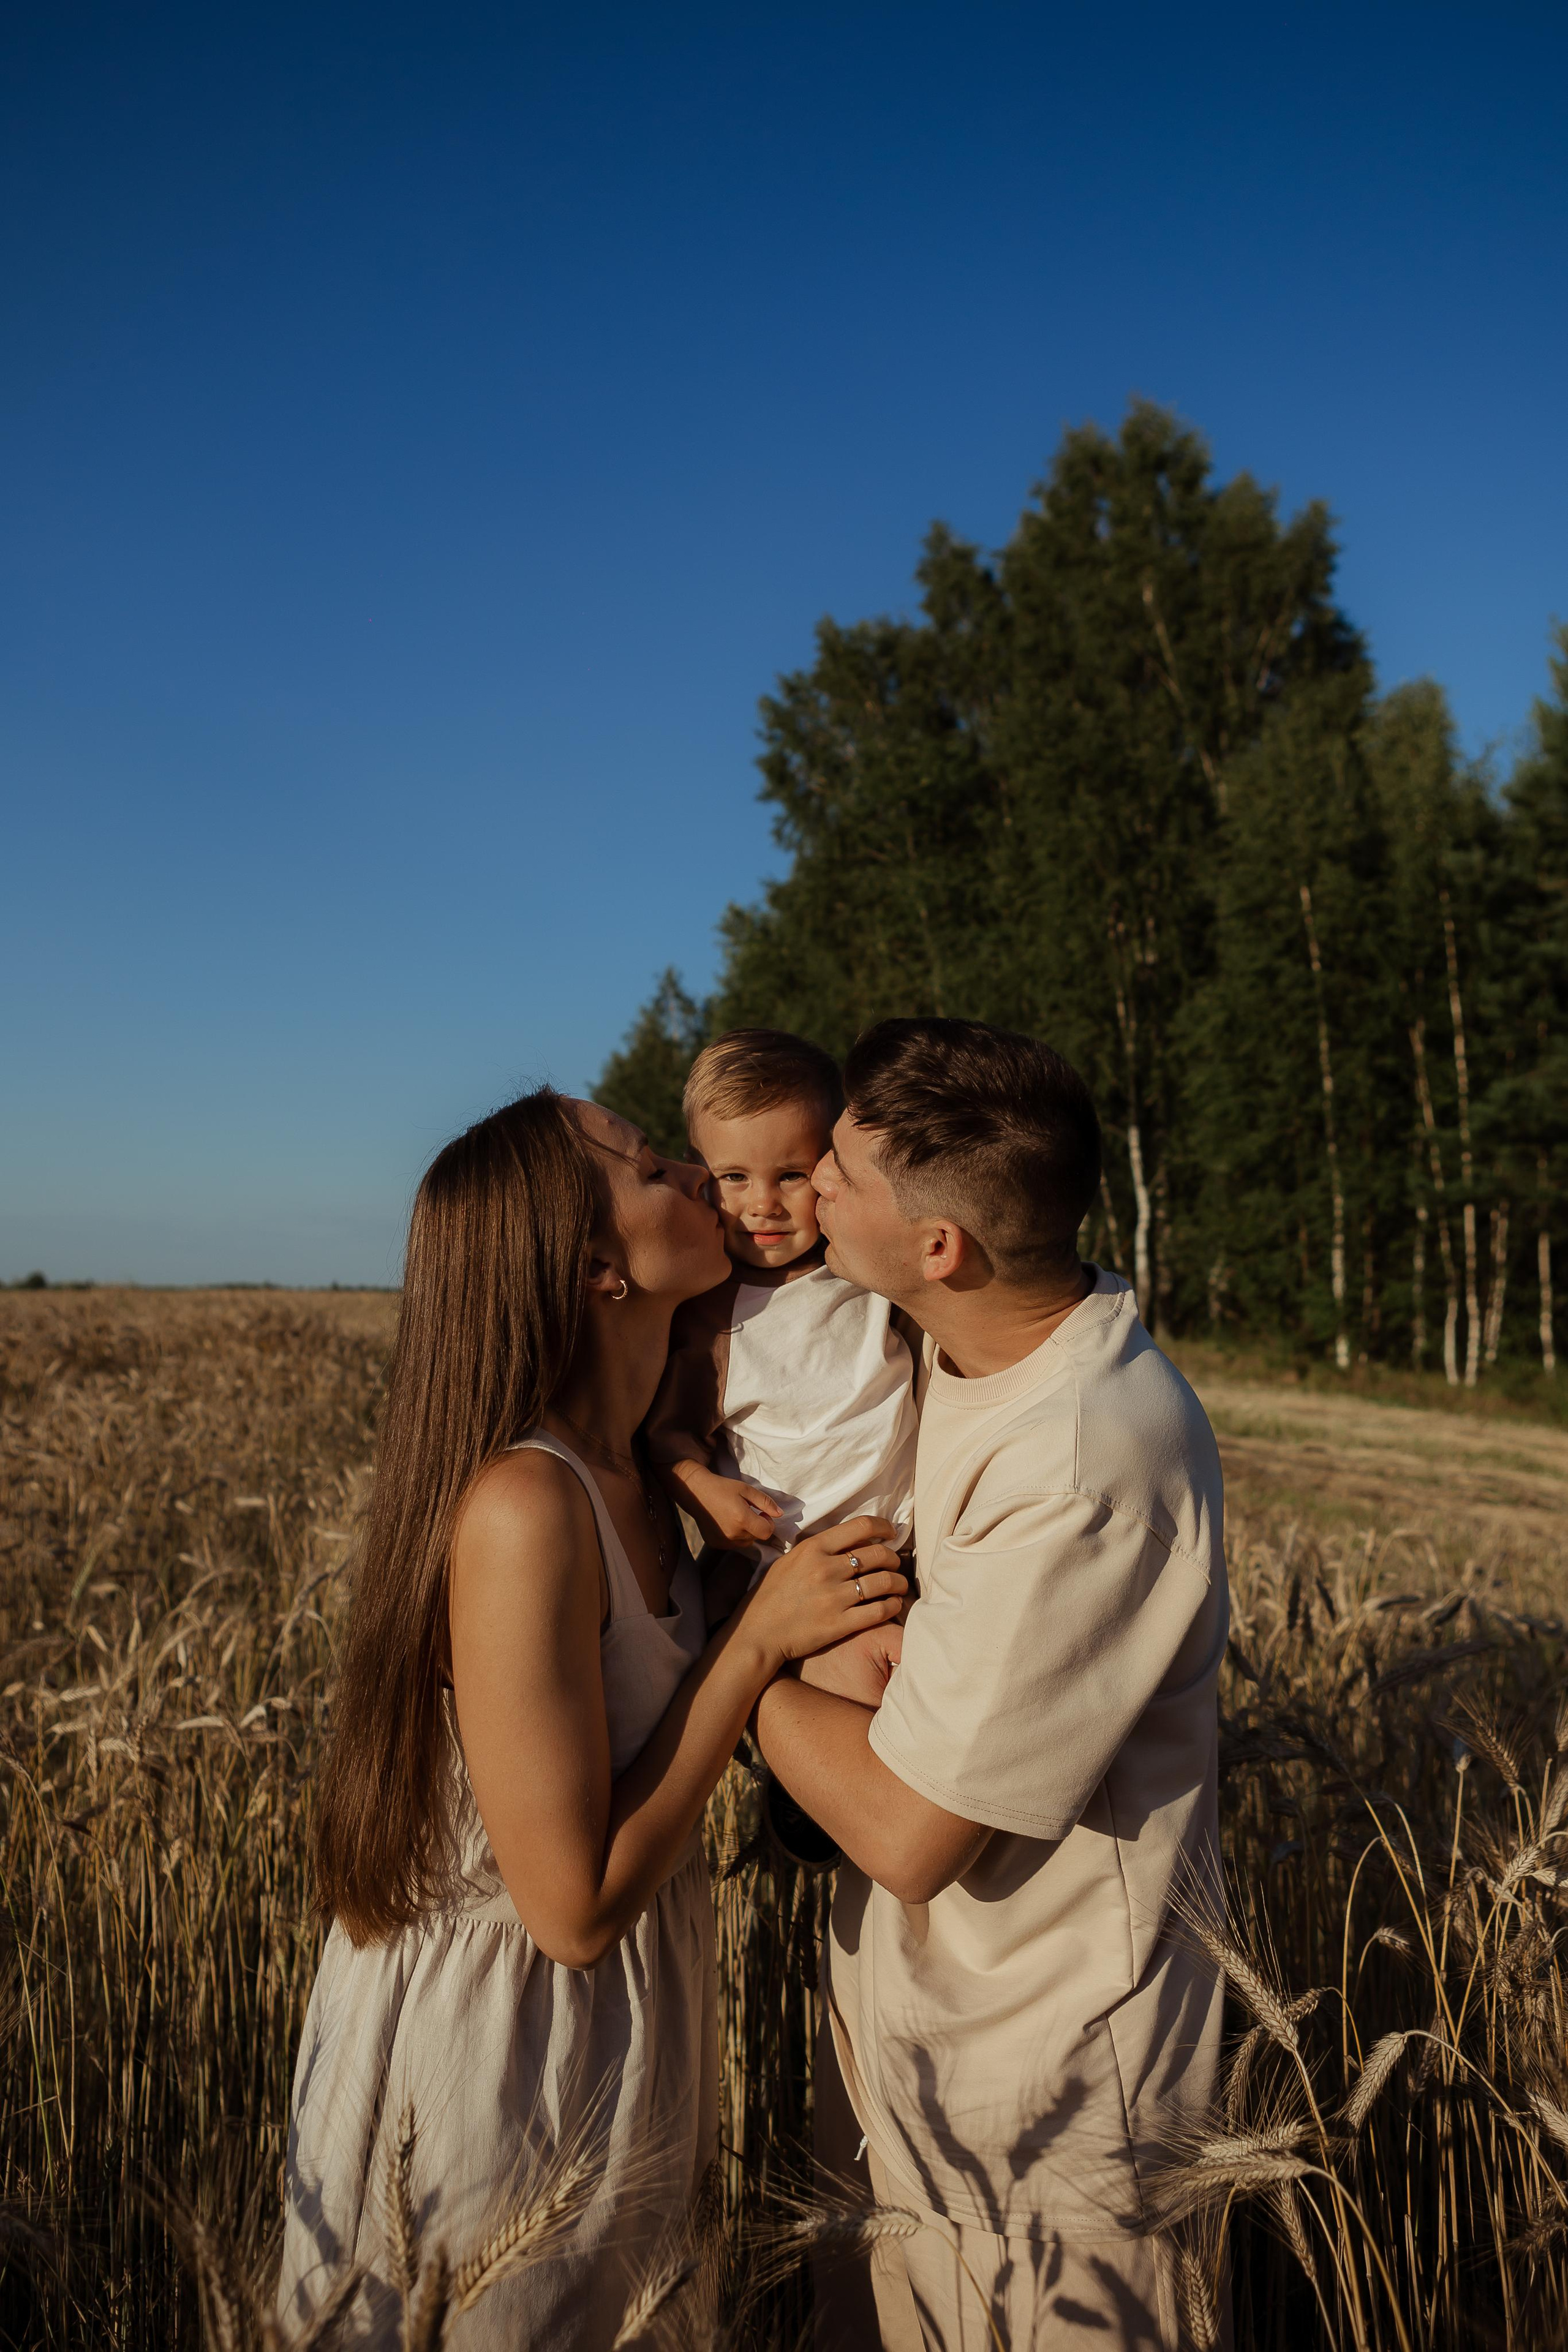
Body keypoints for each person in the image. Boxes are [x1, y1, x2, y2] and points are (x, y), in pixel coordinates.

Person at [277, 1088, 908, 2349]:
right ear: (595, 1269)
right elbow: (566, 1908)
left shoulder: (642, 1477)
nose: (696, 1175)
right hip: (497, 2060)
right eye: (648, 1164)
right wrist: (756, 1644)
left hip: (617, 2027)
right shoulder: (526, 1505)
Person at [751, 1019, 1229, 2352]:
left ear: (940, 1246)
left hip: (1053, 2117)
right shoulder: (940, 1353)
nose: (806, 1188)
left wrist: (735, 1659)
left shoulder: (1080, 1462)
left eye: (835, 1172)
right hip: (909, 2073)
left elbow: (910, 1835)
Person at [647, 1027, 918, 1708]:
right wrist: (702, 1491)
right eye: (733, 1178)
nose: (762, 1203)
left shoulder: (863, 1269)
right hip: (787, 1573)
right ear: (699, 1172)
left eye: (789, 1175)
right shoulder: (711, 1312)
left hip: (912, 1562)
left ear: (829, 1168)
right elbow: (668, 1433)